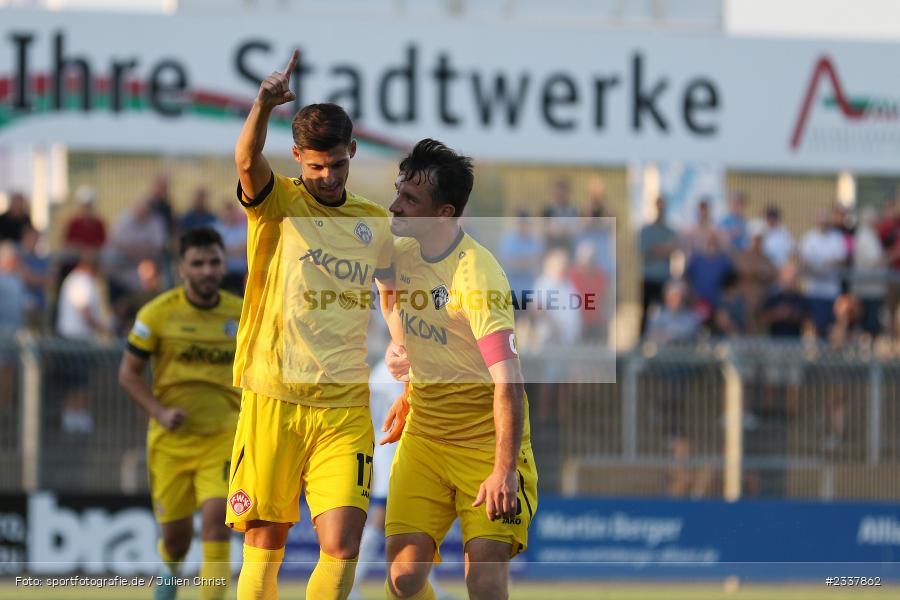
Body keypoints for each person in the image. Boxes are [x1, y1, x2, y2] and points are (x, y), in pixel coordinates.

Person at [226, 51, 394, 600]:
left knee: (343, 546)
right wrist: (262, 105)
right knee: (262, 557)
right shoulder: (277, 204)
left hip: (344, 405)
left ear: (352, 152)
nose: (326, 177)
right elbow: (248, 162)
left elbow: (394, 293)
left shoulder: (374, 222)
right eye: (315, 166)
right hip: (273, 395)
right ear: (297, 156)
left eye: (337, 165)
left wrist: (405, 349)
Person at [381, 139, 538, 600]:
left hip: (485, 449)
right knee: (402, 579)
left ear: (444, 213)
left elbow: (509, 383)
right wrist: (401, 346)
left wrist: (504, 470)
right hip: (425, 439)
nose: (396, 205)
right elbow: (389, 294)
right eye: (398, 191)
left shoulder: (477, 276)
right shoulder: (398, 249)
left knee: (484, 582)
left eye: (410, 200)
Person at [118, 227, 241, 600]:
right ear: (182, 268)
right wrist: (159, 410)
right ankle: (169, 578)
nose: (207, 270)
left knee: (217, 525)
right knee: (175, 540)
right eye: (198, 263)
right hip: (171, 442)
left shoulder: (243, 313)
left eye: (213, 262)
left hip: (225, 436)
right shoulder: (157, 315)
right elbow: (128, 373)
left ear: (223, 266)